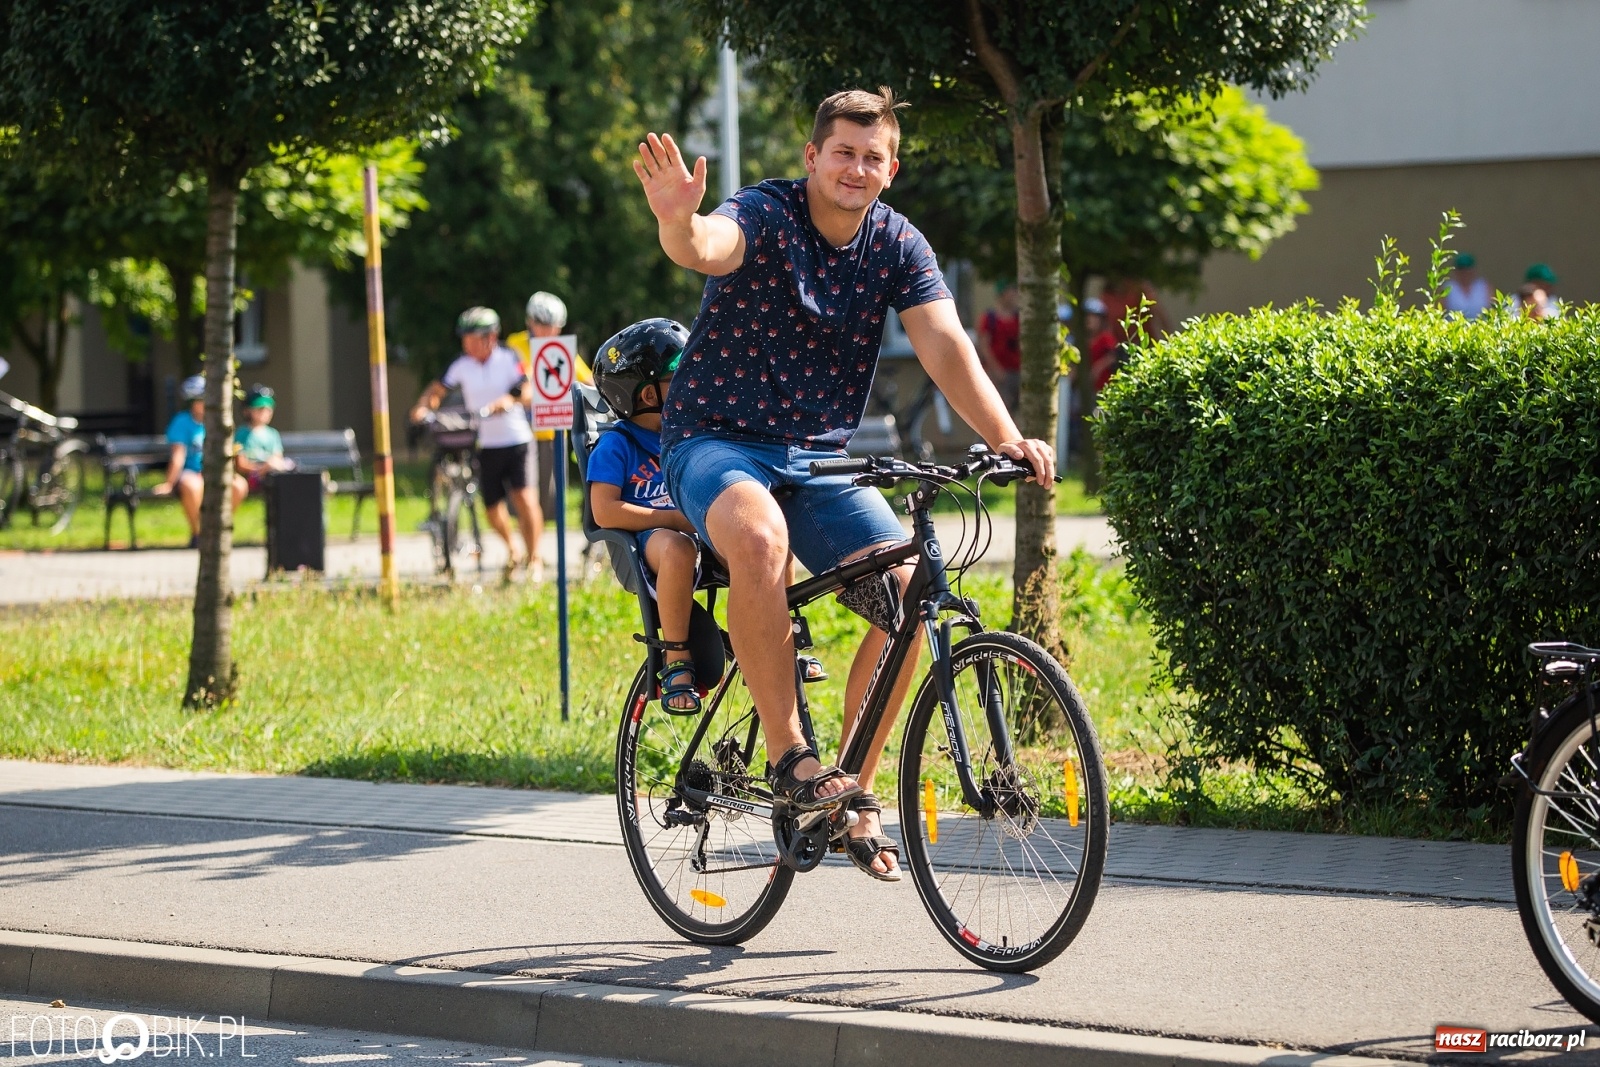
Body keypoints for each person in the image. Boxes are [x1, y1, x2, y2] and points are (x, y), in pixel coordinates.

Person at [633, 86, 1054, 881]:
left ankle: (853, 786)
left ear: (891, 168)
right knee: (760, 537)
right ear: (812, 158)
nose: (856, 169)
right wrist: (676, 220)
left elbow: (944, 343)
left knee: (906, 589)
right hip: (715, 444)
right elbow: (707, 245)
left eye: (873, 156)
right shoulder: (765, 212)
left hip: (816, 458)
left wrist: (1005, 437)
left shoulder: (897, 244)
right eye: (843, 153)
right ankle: (793, 757)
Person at [586, 318, 706, 712]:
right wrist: (670, 518)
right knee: (677, 549)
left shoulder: (689, 434)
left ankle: (778, 638)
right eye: (677, 373)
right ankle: (676, 660)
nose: (689, 380)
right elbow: (604, 511)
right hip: (651, 543)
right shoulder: (615, 445)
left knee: (766, 534)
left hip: (700, 530)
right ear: (645, 393)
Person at [410, 307, 543, 581]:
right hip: (486, 443)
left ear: (490, 337)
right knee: (492, 507)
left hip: (517, 440)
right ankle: (513, 549)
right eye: (465, 338)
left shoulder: (508, 358)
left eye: (471, 337)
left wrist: (509, 401)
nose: (466, 343)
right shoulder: (461, 364)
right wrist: (423, 408)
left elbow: (528, 391)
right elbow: (436, 391)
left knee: (525, 499)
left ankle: (535, 558)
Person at [504, 291, 595, 526]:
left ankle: (538, 551)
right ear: (529, 322)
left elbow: (589, 381)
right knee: (522, 497)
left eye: (553, 326)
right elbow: (520, 380)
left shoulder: (562, 349)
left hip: (551, 431)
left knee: (547, 499)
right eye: (541, 325)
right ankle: (531, 553)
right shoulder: (515, 345)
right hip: (520, 433)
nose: (547, 331)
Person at [153, 374, 246, 548]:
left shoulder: (220, 421)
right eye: (201, 400)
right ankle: (200, 533)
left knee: (239, 486)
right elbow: (178, 456)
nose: (205, 404)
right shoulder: (182, 422)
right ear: (192, 402)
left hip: (214, 472)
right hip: (191, 472)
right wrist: (169, 483)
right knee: (193, 486)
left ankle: (219, 528)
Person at [232, 384, 293, 495]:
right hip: (253, 478)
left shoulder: (273, 434)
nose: (265, 412)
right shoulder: (242, 434)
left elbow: (278, 457)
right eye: (260, 409)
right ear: (247, 410)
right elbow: (240, 464)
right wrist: (262, 468)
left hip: (273, 474)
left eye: (269, 409)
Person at [976, 282, 1021, 413]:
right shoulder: (989, 318)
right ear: (1002, 294)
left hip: (1017, 373)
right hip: (997, 375)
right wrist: (996, 370)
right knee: (997, 412)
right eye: (1011, 290)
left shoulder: (1018, 318)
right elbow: (984, 346)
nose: (1015, 294)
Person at [1442, 252, 1492, 319]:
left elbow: (1492, 310)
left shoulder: (1484, 287)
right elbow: (1440, 312)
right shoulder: (1448, 288)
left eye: (1468, 270)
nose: (1465, 273)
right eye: (1461, 270)